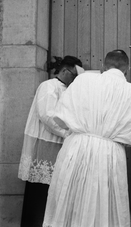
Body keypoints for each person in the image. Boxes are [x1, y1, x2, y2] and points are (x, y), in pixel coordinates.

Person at [42, 49, 131, 227]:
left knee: (69, 202)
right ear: (126, 70)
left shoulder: (83, 81)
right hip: (110, 154)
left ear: (102, 66)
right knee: (104, 208)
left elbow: (60, 117)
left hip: (76, 148)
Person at [18, 55, 83, 227]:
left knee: (53, 194)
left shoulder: (68, 89)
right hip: (45, 144)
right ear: (64, 70)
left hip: (60, 144)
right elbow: (47, 114)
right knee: (39, 194)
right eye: (73, 75)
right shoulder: (48, 86)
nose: (75, 79)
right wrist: (66, 132)